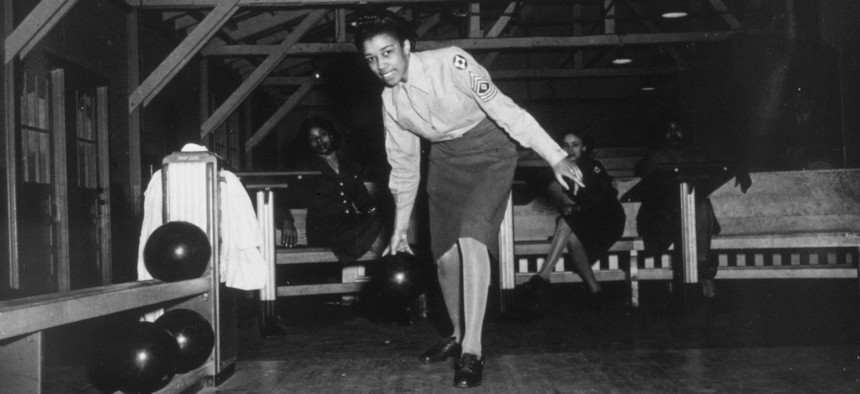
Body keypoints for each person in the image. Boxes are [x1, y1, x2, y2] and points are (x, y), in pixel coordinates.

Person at [352, 11, 584, 389]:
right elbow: (405, 167)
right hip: (445, 162)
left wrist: (553, 153)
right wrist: (398, 229)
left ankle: (473, 350)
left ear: (408, 46)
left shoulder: (454, 62)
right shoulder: (390, 102)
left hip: (490, 151)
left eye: (388, 52)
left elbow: (506, 110)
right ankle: (457, 336)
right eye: (371, 59)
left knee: (472, 237)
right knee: (444, 258)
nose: (381, 65)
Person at [634, 114, 751, 299]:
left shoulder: (696, 153)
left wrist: (740, 169)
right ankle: (701, 273)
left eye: (678, 129)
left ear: (686, 131)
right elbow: (649, 182)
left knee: (700, 203)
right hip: (662, 216)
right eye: (669, 129)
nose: (673, 133)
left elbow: (721, 164)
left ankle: (702, 263)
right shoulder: (655, 155)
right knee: (690, 214)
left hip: (690, 214)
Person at [521, 130, 626, 298]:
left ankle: (543, 277)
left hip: (608, 217)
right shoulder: (561, 170)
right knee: (570, 234)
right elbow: (534, 175)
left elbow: (603, 198)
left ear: (584, 148)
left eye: (575, 145)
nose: (570, 150)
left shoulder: (594, 166)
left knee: (566, 222)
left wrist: (576, 208)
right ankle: (596, 291)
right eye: (565, 146)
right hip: (586, 219)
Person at [279, 116, 387, 264]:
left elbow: (363, 200)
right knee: (378, 240)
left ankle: (386, 265)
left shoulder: (349, 165)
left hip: (349, 224)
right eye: (313, 138)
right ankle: (389, 268)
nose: (319, 140)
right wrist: (287, 222)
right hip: (323, 229)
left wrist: (377, 212)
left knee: (383, 222)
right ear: (308, 143)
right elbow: (284, 197)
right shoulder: (306, 168)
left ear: (331, 135)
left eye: (322, 134)